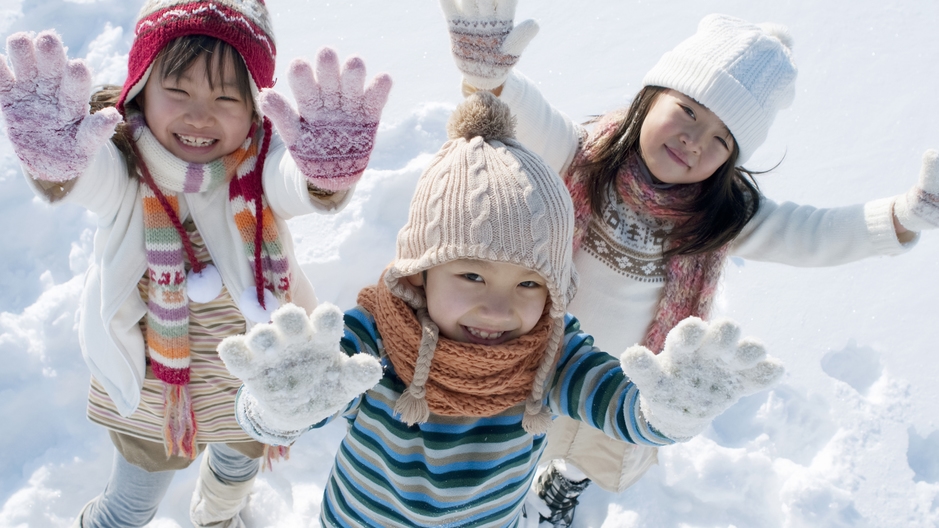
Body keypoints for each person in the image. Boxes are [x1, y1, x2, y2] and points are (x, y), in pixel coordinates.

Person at [439, 3, 939, 526]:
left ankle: (564, 483)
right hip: (539, 359)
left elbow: (809, 233)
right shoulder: (579, 157)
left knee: (590, 448)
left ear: (731, 158)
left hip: (624, 379)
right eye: (690, 110)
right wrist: (489, 75)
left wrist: (902, 217)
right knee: (524, 434)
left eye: (721, 138)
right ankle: (513, 484)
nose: (694, 140)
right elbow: (523, 113)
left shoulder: (721, 218)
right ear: (651, 97)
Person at [216, 91, 786, 527]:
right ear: (421, 271)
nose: (498, 307)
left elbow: (619, 406)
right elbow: (304, 397)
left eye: (529, 285)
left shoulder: (553, 354)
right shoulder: (377, 335)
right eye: (470, 274)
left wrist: (667, 413)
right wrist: (277, 407)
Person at [0, 1, 392, 526]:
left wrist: (324, 174)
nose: (200, 115)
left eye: (227, 97)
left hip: (252, 376)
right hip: (154, 389)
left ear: (255, 107)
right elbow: (90, 179)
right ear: (140, 87)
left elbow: (295, 184)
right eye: (178, 90)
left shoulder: (260, 167)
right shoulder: (124, 165)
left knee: (233, 477)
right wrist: (56, 167)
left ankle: (218, 517)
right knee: (130, 504)